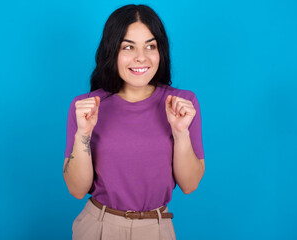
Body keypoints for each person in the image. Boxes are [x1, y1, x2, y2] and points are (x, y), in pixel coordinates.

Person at [63, 4, 205, 240]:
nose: (141, 57)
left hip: (156, 229)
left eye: (150, 46)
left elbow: (189, 185)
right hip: (98, 226)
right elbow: (77, 190)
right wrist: (83, 134)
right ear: (112, 51)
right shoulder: (85, 107)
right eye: (128, 47)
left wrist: (181, 133)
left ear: (161, 51)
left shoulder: (182, 104)